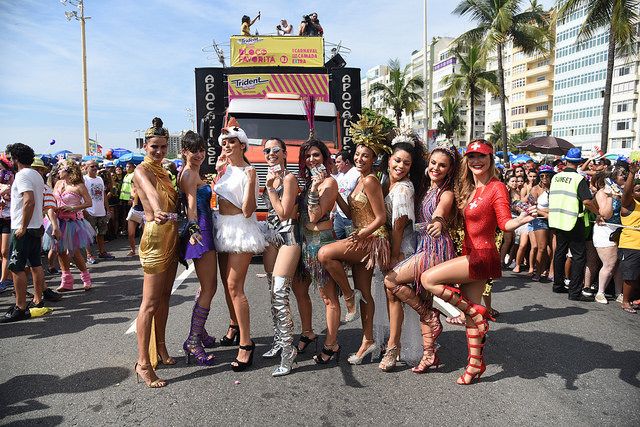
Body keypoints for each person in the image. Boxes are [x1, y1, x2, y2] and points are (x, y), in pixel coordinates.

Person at [420, 139, 537, 385]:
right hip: (471, 253)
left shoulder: (497, 187)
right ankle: (475, 365)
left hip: (482, 256)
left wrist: (519, 221)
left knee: (427, 279)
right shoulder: (471, 188)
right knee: (473, 321)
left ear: (490, 159)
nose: (476, 161)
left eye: (481, 156)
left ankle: (476, 311)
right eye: (471, 157)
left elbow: (504, 222)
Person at [380, 137, 460, 372]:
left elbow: (440, 213)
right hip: (421, 246)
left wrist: (438, 221)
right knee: (422, 296)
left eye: (442, 165)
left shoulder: (446, 193)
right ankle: (429, 354)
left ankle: (428, 316)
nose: (436, 168)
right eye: (433, 163)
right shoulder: (424, 188)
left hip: (435, 249)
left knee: (390, 280)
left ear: (449, 170)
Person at [318, 115, 391, 365]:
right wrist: (337, 195)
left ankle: (347, 296)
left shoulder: (370, 181)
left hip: (371, 240)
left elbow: (381, 218)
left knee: (325, 254)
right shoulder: (359, 180)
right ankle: (367, 340)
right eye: (358, 155)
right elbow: (351, 214)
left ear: (373, 159)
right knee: (366, 293)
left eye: (366, 156)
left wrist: (363, 233)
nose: (360, 159)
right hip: (361, 234)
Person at [213, 119, 266, 372]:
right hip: (221, 226)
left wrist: (251, 179)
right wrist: (218, 172)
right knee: (226, 284)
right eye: (225, 142)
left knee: (236, 287)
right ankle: (234, 325)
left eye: (232, 141)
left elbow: (248, 210)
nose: (227, 145)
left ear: (242, 145)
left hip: (240, 229)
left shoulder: (249, 171)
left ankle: (246, 343)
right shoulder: (224, 168)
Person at [133, 117, 179, 388]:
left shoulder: (165, 170)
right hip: (155, 235)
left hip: (171, 234)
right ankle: (143, 362)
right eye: (154, 147)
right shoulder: (142, 170)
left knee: (164, 298)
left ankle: (160, 348)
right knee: (149, 303)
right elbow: (149, 194)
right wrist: (156, 209)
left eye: (163, 147)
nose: (160, 152)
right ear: (145, 147)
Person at [295, 138, 340, 364]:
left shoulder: (329, 183)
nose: (312, 159)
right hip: (305, 242)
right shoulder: (306, 181)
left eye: (316, 155)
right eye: (308, 156)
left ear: (324, 158)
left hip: (321, 242)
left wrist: (313, 187)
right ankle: (308, 331)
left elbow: (314, 215)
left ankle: (332, 344)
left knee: (328, 297)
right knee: (299, 289)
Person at [260, 137, 301, 376]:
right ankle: (278, 341)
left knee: (279, 293)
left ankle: (289, 351)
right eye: (267, 150)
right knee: (270, 290)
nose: (271, 153)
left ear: (285, 153)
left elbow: (285, 212)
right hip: (271, 237)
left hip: (289, 237)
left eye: (276, 149)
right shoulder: (270, 176)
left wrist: (272, 190)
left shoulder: (288, 178)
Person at [179, 131, 217, 366]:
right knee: (208, 287)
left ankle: (199, 332)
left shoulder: (194, 172)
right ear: (184, 151)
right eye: (195, 150)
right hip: (201, 231)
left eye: (202, 149)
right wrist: (194, 231)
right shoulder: (189, 174)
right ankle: (193, 340)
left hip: (206, 228)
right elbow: (191, 207)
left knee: (209, 286)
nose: (200, 154)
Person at [1, 144, 46, 323]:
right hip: (35, 226)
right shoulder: (36, 174)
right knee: (36, 264)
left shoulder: (22, 175)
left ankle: (20, 307)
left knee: (16, 267)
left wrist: (23, 227)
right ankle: (38, 300)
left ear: (17, 159)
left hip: (24, 227)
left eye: (11, 158)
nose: (11, 161)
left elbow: (29, 201)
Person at [548, 147, 598, 301]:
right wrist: (599, 213)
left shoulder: (556, 177)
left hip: (557, 220)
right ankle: (574, 293)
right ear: (579, 162)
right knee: (578, 257)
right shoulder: (578, 179)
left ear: (566, 160)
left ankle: (558, 285)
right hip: (574, 221)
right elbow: (587, 201)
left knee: (560, 253)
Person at [48, 160, 95, 292]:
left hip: (73, 222)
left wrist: (73, 207)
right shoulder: (57, 183)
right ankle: (66, 281)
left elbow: (89, 203)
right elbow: (53, 200)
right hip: (59, 221)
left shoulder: (79, 186)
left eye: (61, 169)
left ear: (69, 171)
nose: (58, 171)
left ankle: (86, 278)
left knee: (74, 252)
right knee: (60, 251)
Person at [592, 168, 625, 304]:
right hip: (605, 230)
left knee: (618, 264)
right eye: (622, 174)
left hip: (619, 230)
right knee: (609, 264)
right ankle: (600, 292)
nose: (625, 176)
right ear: (614, 177)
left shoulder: (622, 191)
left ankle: (619, 292)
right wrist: (611, 196)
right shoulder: (602, 193)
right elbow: (605, 214)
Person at [617, 161, 640, 313]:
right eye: (638, 190)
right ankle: (625, 301)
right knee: (630, 276)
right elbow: (625, 193)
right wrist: (632, 173)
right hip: (631, 245)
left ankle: (635, 298)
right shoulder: (628, 205)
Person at [83, 160, 114, 263]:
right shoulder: (84, 179)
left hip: (101, 211)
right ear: (86, 167)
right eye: (92, 166)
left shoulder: (100, 179)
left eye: (96, 166)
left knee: (101, 233)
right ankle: (89, 255)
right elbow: (81, 195)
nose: (95, 168)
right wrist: (84, 210)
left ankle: (102, 252)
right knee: (89, 235)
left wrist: (107, 209)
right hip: (89, 211)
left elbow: (103, 194)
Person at [528, 165, 554, 281]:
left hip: (554, 220)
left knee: (554, 248)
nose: (544, 178)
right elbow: (530, 207)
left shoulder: (555, 189)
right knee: (542, 247)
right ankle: (537, 272)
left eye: (547, 175)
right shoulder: (535, 189)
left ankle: (551, 273)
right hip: (540, 220)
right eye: (542, 175)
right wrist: (544, 214)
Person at [333, 150, 359, 239]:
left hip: (352, 218)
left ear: (347, 162)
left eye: (338, 162)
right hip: (339, 216)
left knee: (351, 244)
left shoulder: (357, 173)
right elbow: (337, 195)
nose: (336, 164)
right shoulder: (339, 176)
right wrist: (333, 212)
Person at [0, 154, 15, 291]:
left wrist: (9, 187)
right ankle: (8, 277)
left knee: (5, 251)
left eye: (1, 169)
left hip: (7, 219)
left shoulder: (11, 183)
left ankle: (3, 281)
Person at [126, 185, 144, 257]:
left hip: (145, 211)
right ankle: (132, 250)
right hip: (135, 210)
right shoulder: (134, 187)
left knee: (145, 234)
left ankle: (144, 250)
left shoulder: (148, 185)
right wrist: (132, 197)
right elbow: (132, 197)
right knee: (131, 234)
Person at [119, 162, 135, 235]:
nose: (127, 168)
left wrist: (131, 198)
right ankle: (127, 230)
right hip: (124, 198)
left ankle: (133, 232)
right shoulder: (126, 175)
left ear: (133, 168)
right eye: (126, 167)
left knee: (131, 216)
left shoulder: (133, 175)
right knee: (125, 215)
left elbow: (133, 188)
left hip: (129, 199)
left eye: (129, 167)